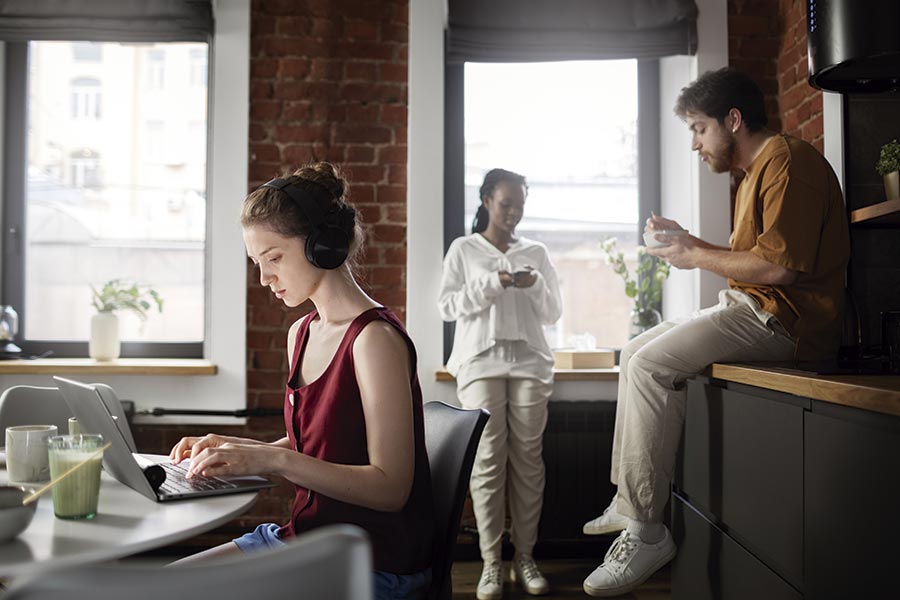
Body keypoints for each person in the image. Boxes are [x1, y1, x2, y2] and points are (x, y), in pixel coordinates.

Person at [581, 67, 850, 597]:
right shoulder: (755, 174)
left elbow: (781, 271)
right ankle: (631, 499)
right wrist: (690, 243)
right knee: (636, 350)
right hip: (756, 307)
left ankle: (647, 530)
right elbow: (754, 259)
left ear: (733, 120)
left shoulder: (788, 164)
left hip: (784, 322)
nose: (695, 145)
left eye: (699, 129)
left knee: (650, 363)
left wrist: (692, 254)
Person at [168, 162, 435, 600]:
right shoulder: (302, 333)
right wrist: (239, 451)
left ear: (322, 246)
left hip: (368, 562)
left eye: (273, 258)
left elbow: (391, 488)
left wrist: (273, 462)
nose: (264, 278)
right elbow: (324, 446)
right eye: (257, 263)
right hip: (306, 540)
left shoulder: (374, 340)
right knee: (162, 585)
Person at [438, 168, 562, 600]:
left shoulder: (537, 251)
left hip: (530, 362)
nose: (513, 213)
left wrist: (533, 284)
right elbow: (448, 306)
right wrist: (496, 282)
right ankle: (492, 562)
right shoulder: (464, 249)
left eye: (520, 206)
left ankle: (525, 557)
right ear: (487, 200)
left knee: (529, 461)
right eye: (507, 204)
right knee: (487, 462)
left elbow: (553, 312)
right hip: (479, 363)